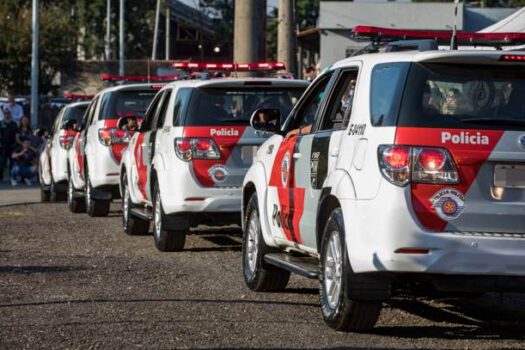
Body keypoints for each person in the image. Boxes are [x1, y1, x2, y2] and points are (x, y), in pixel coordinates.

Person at [0, 109, 19, 177]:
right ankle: (1, 175)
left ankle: (12, 175)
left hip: (12, 145)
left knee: (12, 161)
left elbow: (17, 135)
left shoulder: (14, 124)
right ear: (4, 114)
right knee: (2, 161)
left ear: (10, 114)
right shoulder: (1, 123)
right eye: (5, 113)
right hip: (3, 145)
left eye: (8, 113)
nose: (7, 115)